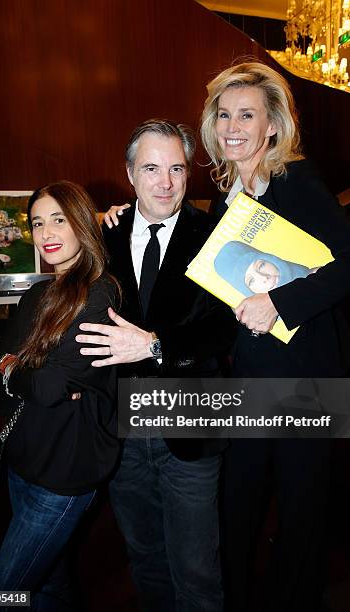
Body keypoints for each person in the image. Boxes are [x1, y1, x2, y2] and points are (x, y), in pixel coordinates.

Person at [199, 61, 350, 612]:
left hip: (308, 376)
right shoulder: (226, 194)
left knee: (301, 510)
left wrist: (279, 302)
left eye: (246, 114)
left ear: (272, 125)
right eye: (224, 114)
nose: (232, 126)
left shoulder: (297, 181)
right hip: (250, 374)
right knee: (238, 500)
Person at [76, 119, 236, 611]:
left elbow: (222, 328)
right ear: (130, 173)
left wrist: (155, 345)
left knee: (197, 569)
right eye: (151, 168)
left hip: (187, 421)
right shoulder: (104, 234)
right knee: (144, 557)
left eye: (176, 169)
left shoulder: (213, 235)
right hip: (121, 429)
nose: (165, 183)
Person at [0, 181, 120, 611]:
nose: (47, 233)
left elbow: (45, 387)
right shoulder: (36, 294)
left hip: (63, 478)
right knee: (47, 588)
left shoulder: (100, 291)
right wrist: (13, 367)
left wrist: (13, 367)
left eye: (59, 219)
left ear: (81, 223)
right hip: (22, 465)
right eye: (38, 223)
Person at [214, 240, 317, 296]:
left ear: (270, 259)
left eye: (261, 265)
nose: (264, 278)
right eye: (251, 281)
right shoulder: (270, 324)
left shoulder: (314, 276)